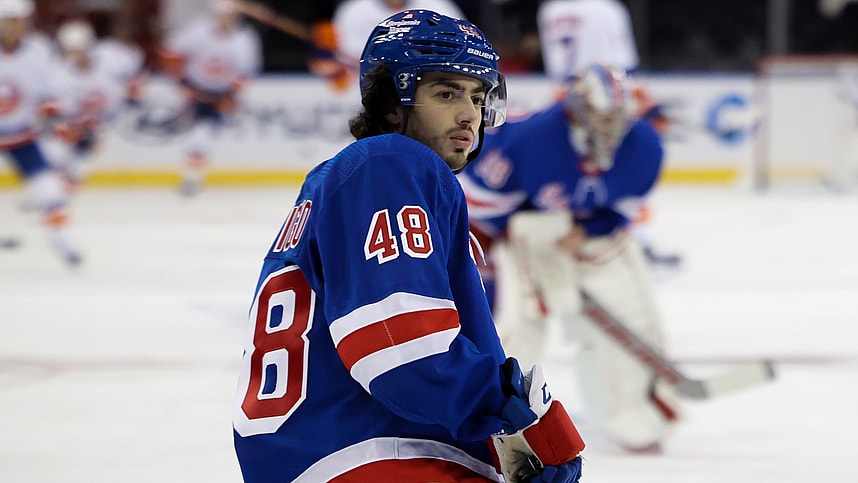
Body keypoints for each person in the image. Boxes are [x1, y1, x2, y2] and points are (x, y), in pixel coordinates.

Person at [233, 10, 585, 483]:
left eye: (478, 98)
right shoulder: (390, 163)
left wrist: (501, 446)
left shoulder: (354, 179)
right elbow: (403, 349)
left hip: (346, 456)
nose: (469, 114)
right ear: (390, 101)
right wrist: (513, 412)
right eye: (446, 93)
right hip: (378, 458)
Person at [458, 63, 681, 453]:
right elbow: (478, 202)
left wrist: (587, 230)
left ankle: (632, 411)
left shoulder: (644, 145)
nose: (610, 126)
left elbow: (625, 208)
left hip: (592, 236)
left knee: (630, 315)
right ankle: (488, 418)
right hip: (532, 235)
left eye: (618, 116)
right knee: (521, 327)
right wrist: (521, 237)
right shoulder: (529, 140)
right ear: (577, 108)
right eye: (601, 114)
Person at [537, 0, 680, 267]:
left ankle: (574, 236)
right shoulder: (605, 9)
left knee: (574, 174)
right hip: (601, 100)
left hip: (565, 97)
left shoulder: (551, 9)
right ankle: (639, 241)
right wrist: (644, 104)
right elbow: (619, 71)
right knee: (627, 169)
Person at [0, 0, 82, 265]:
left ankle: (63, 242)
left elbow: (49, 95)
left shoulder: (38, 51)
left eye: (18, 20)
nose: (14, 26)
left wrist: (57, 122)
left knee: (50, 192)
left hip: (22, 136)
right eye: (8, 20)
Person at [159, 0, 261, 196]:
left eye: (229, 17)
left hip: (220, 95)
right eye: (222, 16)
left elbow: (247, 72)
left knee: (203, 134)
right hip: (196, 89)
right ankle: (192, 178)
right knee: (196, 134)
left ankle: (192, 178)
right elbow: (171, 53)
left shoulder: (244, 39)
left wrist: (230, 96)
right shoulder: (198, 30)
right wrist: (183, 84)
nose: (224, 21)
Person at [40, 19, 147, 188]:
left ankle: (69, 178)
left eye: (81, 49)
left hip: (115, 120)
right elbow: (53, 110)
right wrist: (64, 128)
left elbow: (136, 68)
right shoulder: (58, 75)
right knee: (54, 152)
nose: (78, 54)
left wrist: (132, 101)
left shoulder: (112, 56)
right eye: (72, 51)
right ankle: (57, 186)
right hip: (80, 127)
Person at [332, 0, 466, 65]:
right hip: (368, 74)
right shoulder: (355, 9)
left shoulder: (437, 5)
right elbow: (344, 52)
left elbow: (460, 40)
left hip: (428, 70)